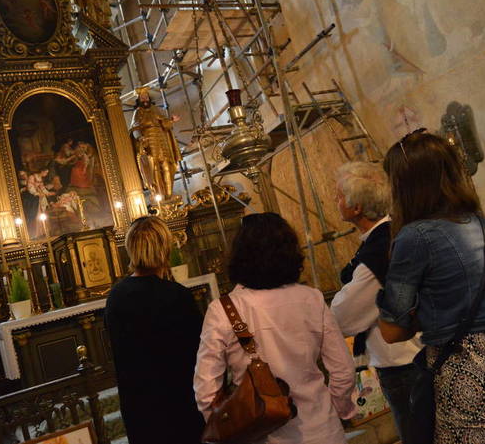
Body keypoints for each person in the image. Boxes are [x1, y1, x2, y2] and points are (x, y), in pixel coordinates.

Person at [376, 130, 485, 444]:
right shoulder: (482, 224)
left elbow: (391, 330)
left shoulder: (414, 237)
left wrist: (419, 313)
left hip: (470, 389)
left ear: (404, 185)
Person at [194, 213, 356, 444]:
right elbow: (343, 371)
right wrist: (335, 411)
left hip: (261, 436)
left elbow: (206, 390)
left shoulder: (223, 310)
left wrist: (229, 428)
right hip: (323, 432)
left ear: (239, 256)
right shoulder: (312, 299)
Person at [330, 161, 420, 443]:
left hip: (404, 363)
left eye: (340, 196)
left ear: (356, 207)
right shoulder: (392, 233)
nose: (335, 201)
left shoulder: (378, 251)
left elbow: (343, 316)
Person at [104, 216, 204, 444]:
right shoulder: (178, 296)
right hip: (181, 405)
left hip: (139, 407)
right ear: (164, 247)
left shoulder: (116, 297)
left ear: (131, 248)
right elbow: (199, 353)